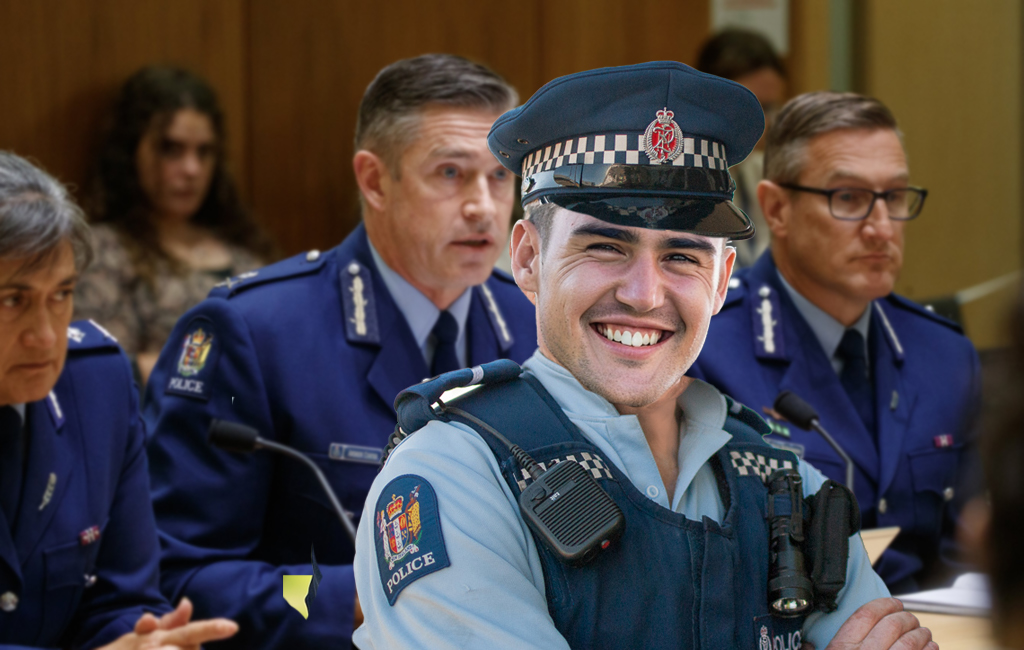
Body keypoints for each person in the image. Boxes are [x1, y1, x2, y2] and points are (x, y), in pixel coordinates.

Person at [353, 62, 937, 650]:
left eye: (682, 257)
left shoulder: (783, 481)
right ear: (528, 259)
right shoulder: (454, 478)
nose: (644, 295)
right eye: (606, 245)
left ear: (722, 279)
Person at [143, 54, 537, 649]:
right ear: (375, 180)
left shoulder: (534, 323)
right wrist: (350, 599)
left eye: (500, 176)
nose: (483, 205)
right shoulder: (256, 332)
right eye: (451, 173)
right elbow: (186, 571)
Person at [689, 92, 981, 594]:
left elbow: (968, 554)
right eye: (848, 198)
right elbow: (705, 564)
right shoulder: (708, 349)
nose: (881, 228)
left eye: (892, 197)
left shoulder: (945, 354)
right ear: (776, 209)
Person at [0, 151, 237, 649]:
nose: (45, 336)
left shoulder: (96, 387)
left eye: (61, 294)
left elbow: (120, 599)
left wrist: (144, 641)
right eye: (12, 300)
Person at [74, 65, 274, 384]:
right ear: (131, 152)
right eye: (171, 149)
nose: (192, 169)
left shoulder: (245, 254)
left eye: (204, 152)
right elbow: (104, 370)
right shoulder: (103, 250)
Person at [697, 28, 788, 269]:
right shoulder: (678, 182)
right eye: (755, 108)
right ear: (709, 103)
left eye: (770, 108)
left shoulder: (766, 172)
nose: (766, 122)